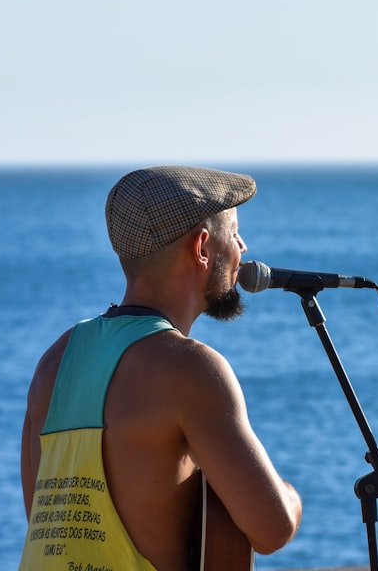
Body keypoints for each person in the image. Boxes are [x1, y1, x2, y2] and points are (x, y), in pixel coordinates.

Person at [19, 165, 302, 571]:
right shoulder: (191, 370)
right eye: (234, 232)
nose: (242, 246)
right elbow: (272, 528)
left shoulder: (54, 360)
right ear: (203, 246)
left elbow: (43, 524)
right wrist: (290, 496)